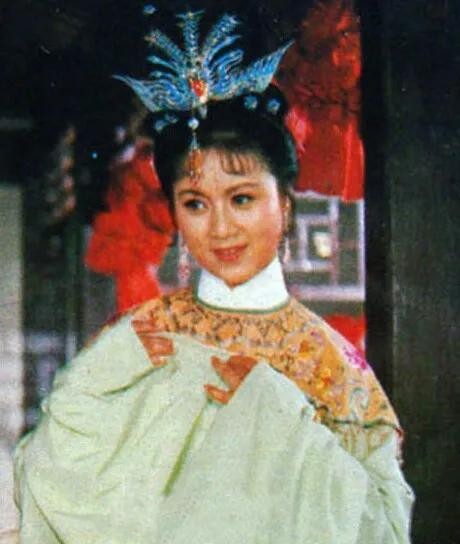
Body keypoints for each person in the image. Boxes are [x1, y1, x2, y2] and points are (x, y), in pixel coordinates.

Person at [14, 10, 414, 544]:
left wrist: (275, 411)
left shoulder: (330, 364)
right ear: (175, 213)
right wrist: (105, 376)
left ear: (284, 204)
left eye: (242, 198)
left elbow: (383, 527)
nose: (220, 227)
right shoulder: (139, 340)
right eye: (195, 203)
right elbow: (49, 483)